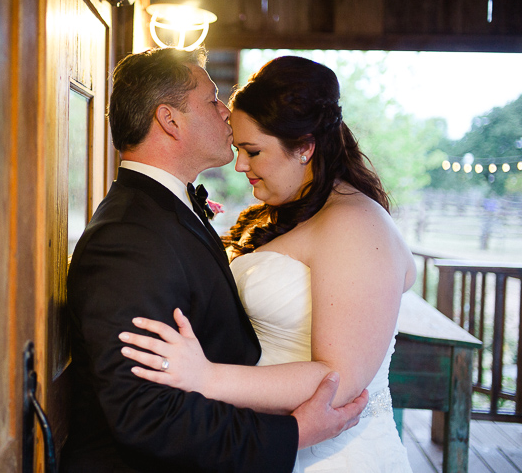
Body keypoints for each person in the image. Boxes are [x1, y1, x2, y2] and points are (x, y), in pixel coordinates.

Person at [62, 48, 368, 473]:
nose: (226, 111)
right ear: (170, 120)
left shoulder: (163, 210)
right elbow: (146, 413)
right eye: (212, 100)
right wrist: (293, 434)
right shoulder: (128, 238)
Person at [119, 55, 416, 472]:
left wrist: (206, 377)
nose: (240, 165)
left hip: (335, 457)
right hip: (271, 448)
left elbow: (339, 380)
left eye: (253, 151)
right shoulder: (289, 215)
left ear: (305, 147)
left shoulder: (357, 224)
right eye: (239, 148)